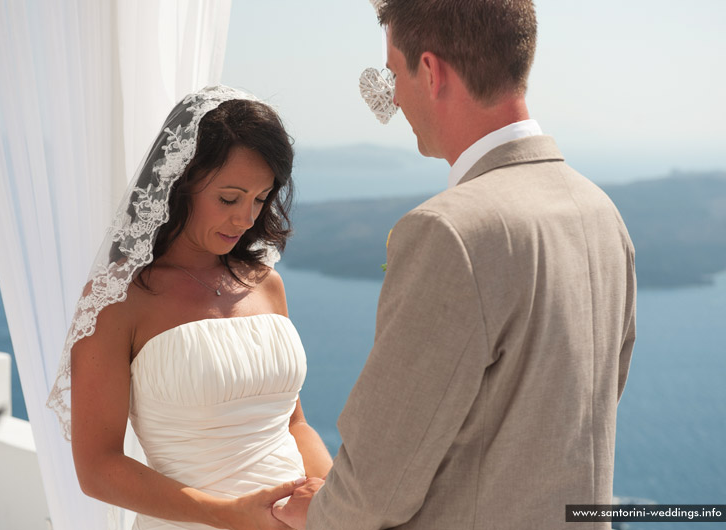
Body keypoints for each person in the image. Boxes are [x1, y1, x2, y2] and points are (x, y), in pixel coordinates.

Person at [272, 1, 636, 528]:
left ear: (431, 70)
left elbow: (379, 483)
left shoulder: (450, 232)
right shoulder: (602, 213)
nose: (393, 97)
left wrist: (316, 514)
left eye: (394, 73)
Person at [46, 85, 332, 530]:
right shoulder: (117, 300)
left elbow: (294, 425)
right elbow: (98, 466)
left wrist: (337, 503)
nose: (246, 219)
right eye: (229, 198)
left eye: (260, 199)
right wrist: (228, 516)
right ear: (179, 184)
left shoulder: (267, 284)